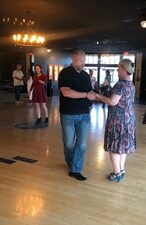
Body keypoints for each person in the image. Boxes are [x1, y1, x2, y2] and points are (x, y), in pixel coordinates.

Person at [94, 59, 136, 182]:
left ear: (123, 69)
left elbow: (112, 102)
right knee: (122, 146)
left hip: (117, 120)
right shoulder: (131, 84)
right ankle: (121, 169)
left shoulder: (120, 84)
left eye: (118, 68)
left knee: (114, 147)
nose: (117, 70)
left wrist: (99, 96)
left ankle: (117, 173)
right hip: (129, 119)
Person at [58, 49, 94, 181]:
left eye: (84, 61)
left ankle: (76, 169)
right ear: (73, 60)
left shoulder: (85, 76)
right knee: (68, 143)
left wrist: (91, 104)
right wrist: (85, 95)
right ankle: (71, 161)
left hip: (84, 115)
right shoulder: (65, 73)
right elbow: (66, 92)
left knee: (82, 144)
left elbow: (90, 93)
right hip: (68, 114)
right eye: (80, 61)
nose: (83, 64)